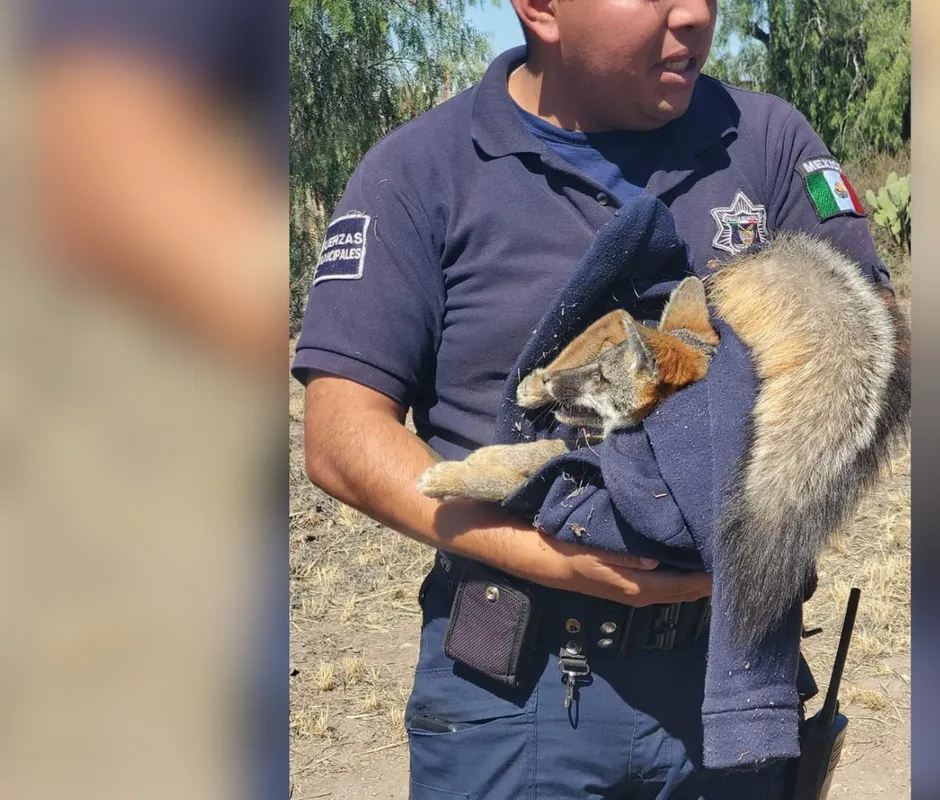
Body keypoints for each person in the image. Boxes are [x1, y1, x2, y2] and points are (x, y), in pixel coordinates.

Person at [293, 0, 893, 796]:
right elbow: (340, 436)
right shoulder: (422, 169)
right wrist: (556, 556)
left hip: (735, 677)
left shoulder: (770, 144)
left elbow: (877, 349)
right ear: (539, 10)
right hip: (513, 692)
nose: (694, 16)